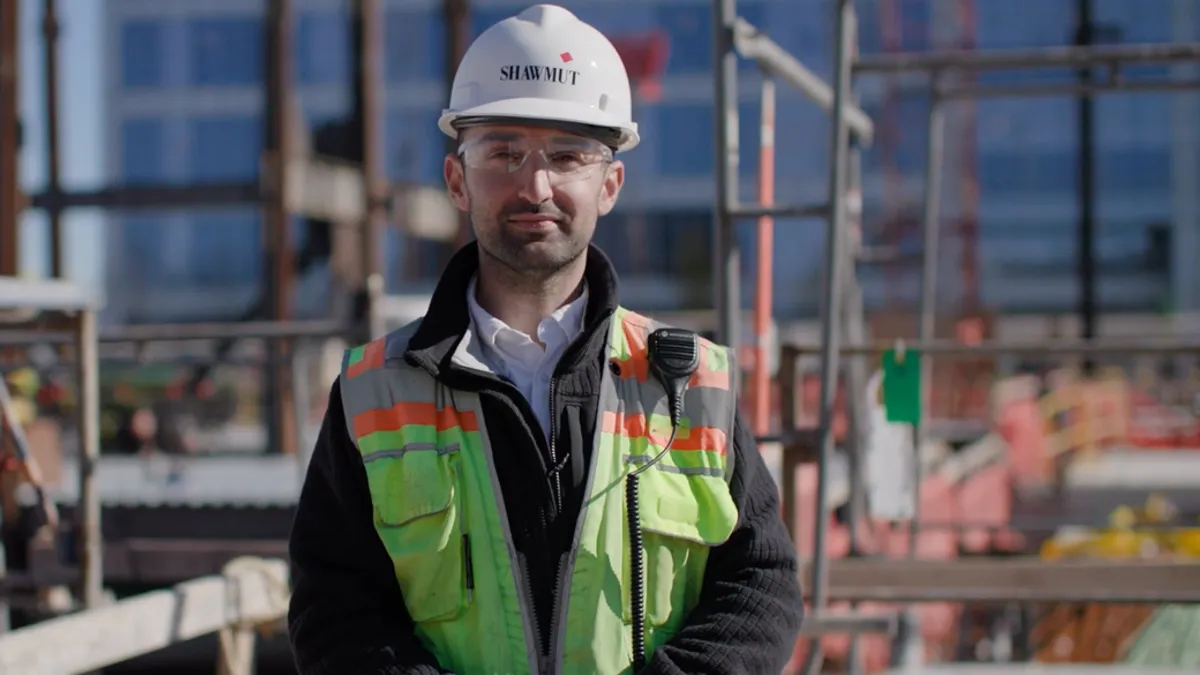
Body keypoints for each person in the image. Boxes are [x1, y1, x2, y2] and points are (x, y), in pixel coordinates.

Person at [286, 5, 804, 674]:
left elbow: (761, 585)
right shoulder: (374, 393)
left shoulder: (691, 386)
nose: (535, 184)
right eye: (503, 152)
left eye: (568, 155)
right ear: (456, 180)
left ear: (609, 184)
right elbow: (333, 607)